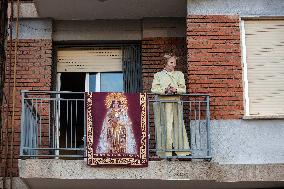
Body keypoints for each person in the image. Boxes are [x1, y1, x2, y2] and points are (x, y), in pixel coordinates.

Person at [151, 53, 190, 157]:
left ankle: (181, 151)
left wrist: (175, 89)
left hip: (175, 103)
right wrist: (165, 90)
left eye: (175, 63)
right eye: (171, 62)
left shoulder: (179, 74)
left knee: (178, 126)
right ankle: (165, 152)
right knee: (164, 127)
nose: (174, 65)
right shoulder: (158, 75)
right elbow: (154, 89)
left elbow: (183, 89)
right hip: (163, 105)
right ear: (165, 63)